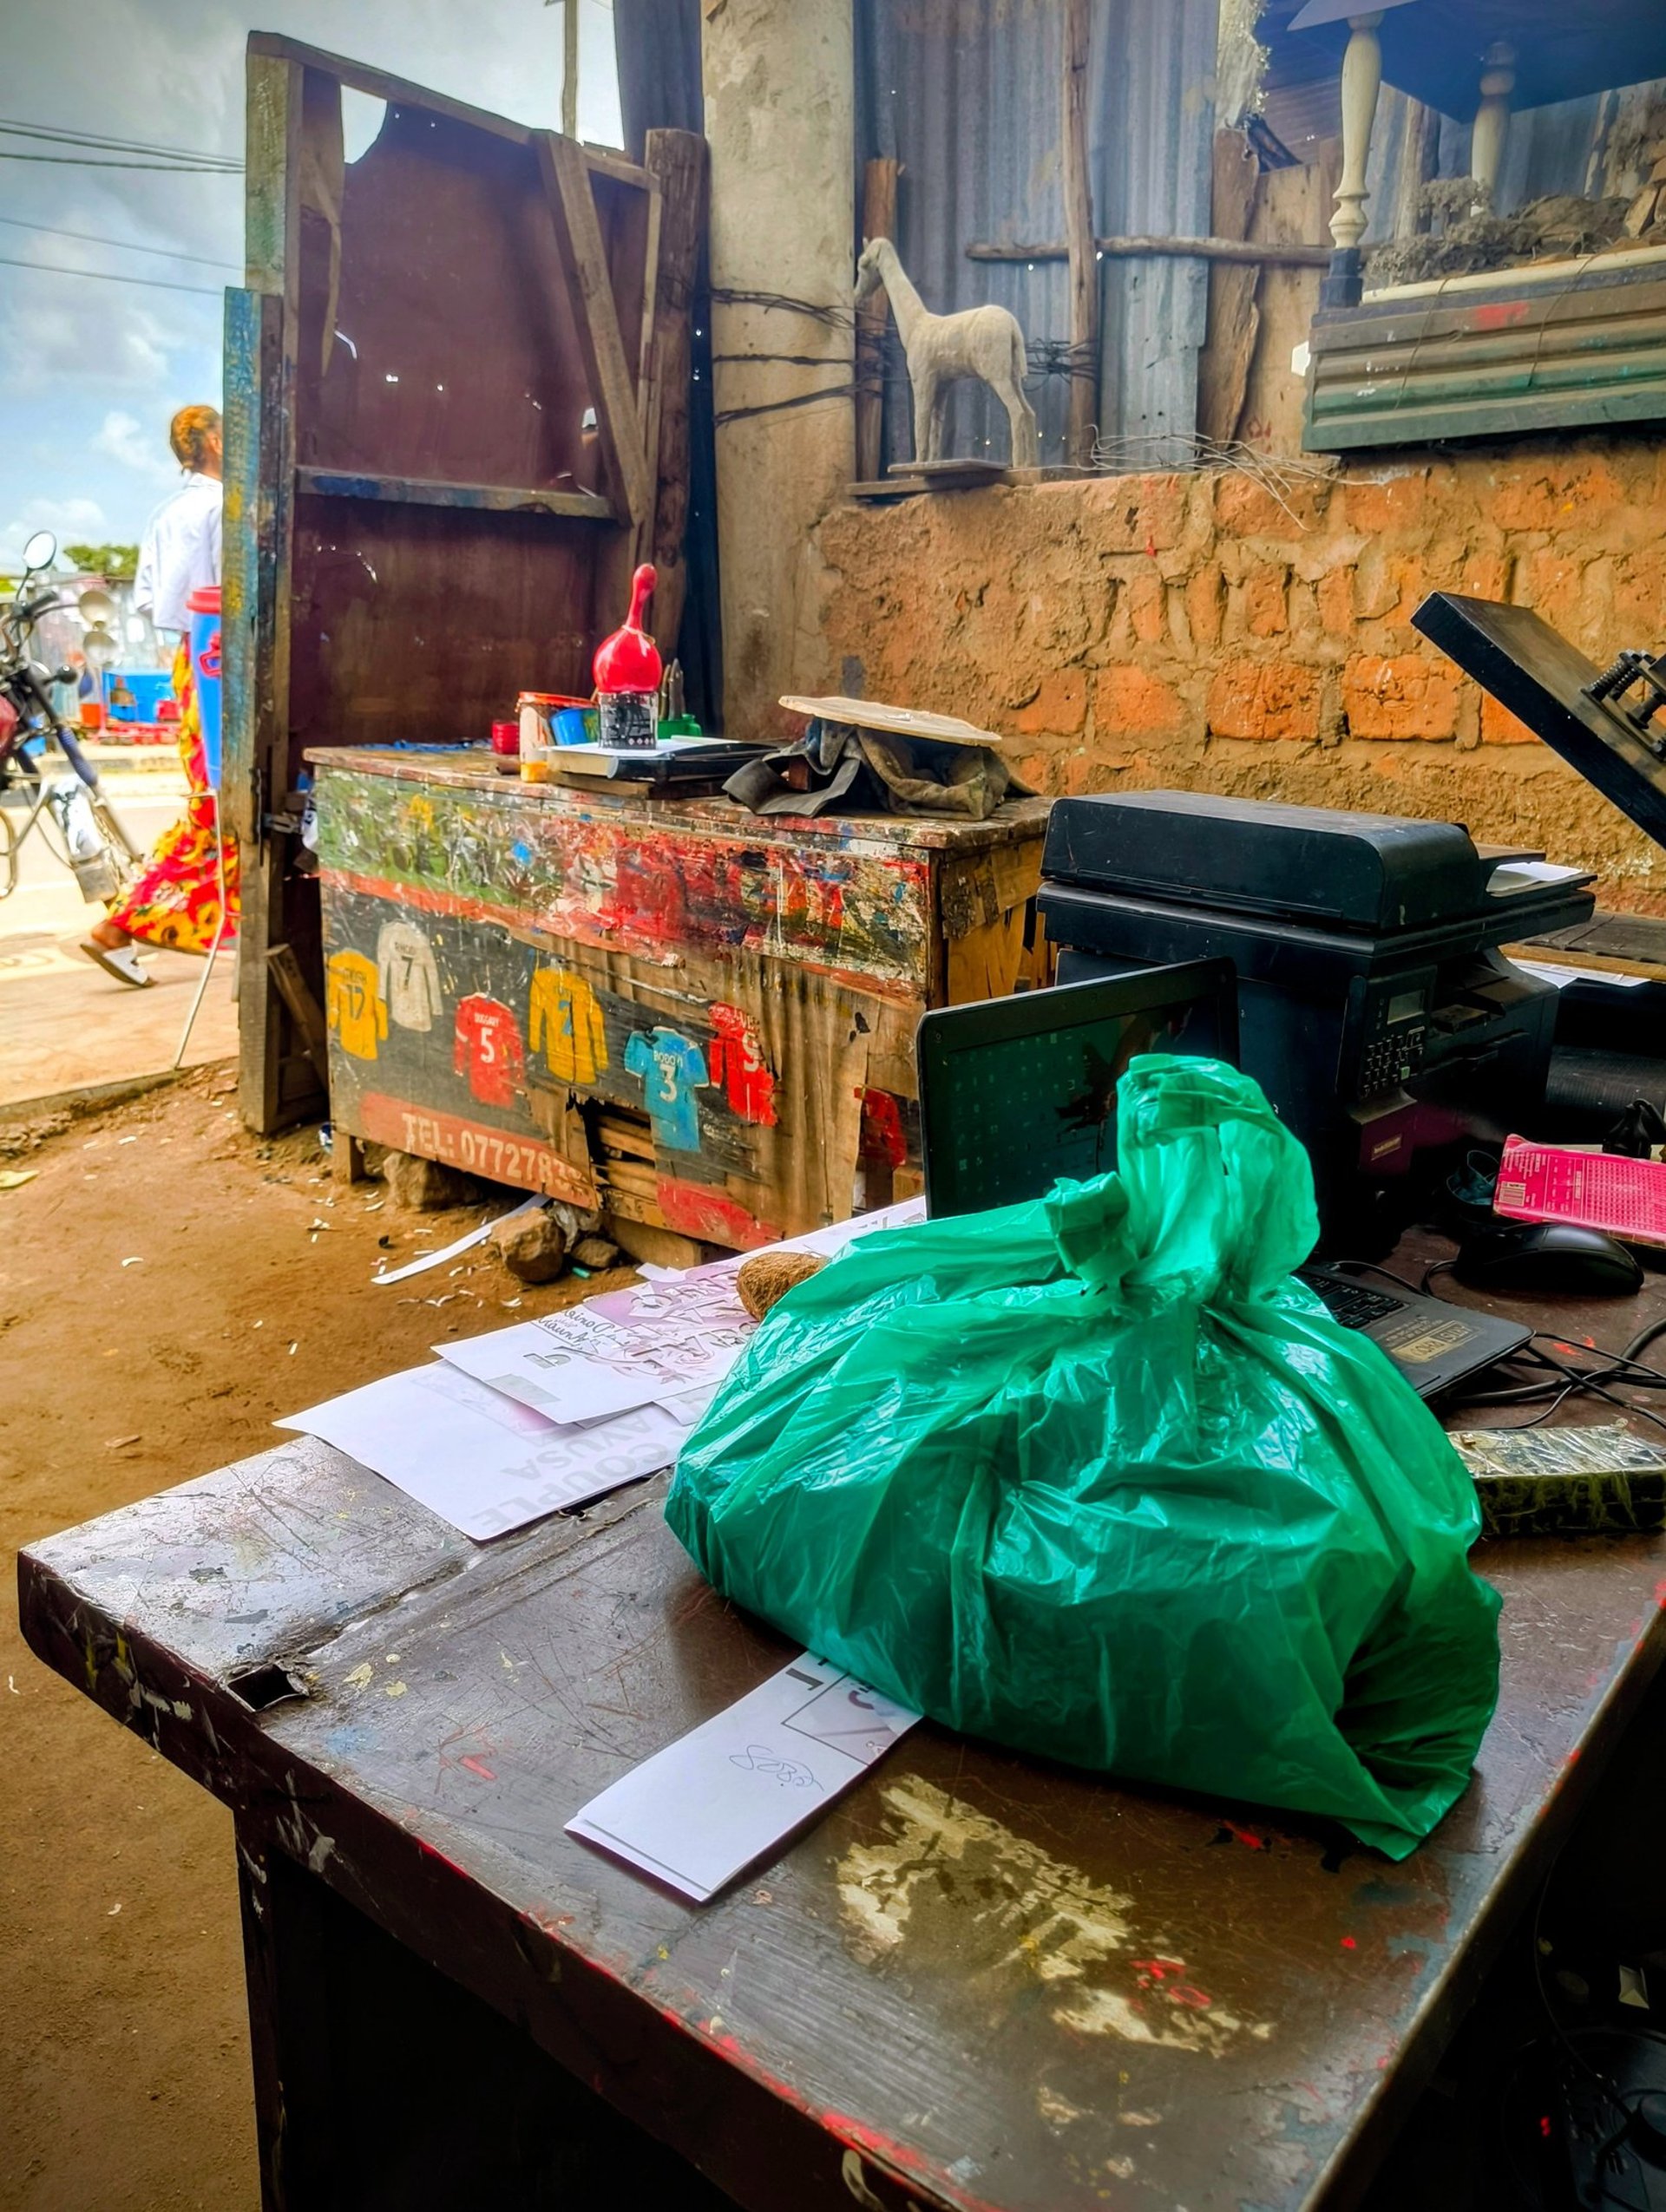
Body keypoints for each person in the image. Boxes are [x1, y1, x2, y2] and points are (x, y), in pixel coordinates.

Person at [82, 404, 238, 987]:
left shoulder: (166, 512)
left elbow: (149, 600)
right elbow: (234, 598)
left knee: (219, 802)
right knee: (221, 806)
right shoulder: (225, 508)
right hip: (225, 663)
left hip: (187, 659)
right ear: (217, 443)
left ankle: (214, 927)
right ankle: (121, 925)